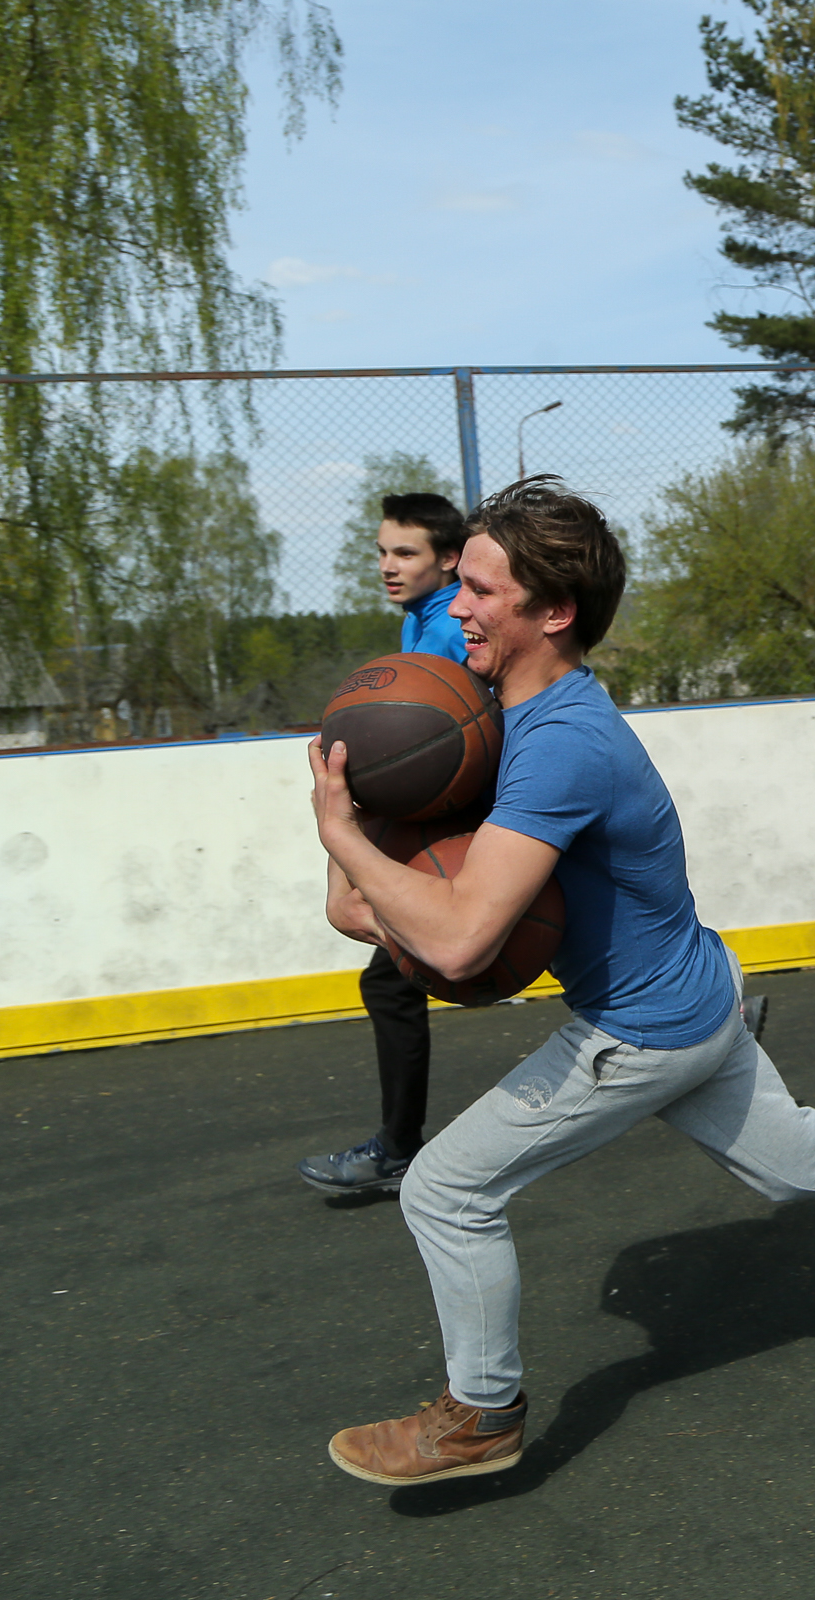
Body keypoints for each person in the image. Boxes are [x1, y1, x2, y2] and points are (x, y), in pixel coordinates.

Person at [308, 477, 815, 1488]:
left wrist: (340, 834)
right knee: (799, 1164)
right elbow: (360, 913)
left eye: (483, 590)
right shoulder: (511, 716)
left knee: (447, 1189)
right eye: (461, 584)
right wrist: (365, 824)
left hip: (645, 1029)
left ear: (555, 611)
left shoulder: (559, 746)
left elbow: (454, 946)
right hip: (701, 991)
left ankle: (481, 1416)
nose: (457, 606)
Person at [296, 492, 470, 1196]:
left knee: (395, 978)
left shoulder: (452, 626)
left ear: (448, 559)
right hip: (455, 817)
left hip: (478, 818)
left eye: (405, 552)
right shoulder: (420, 622)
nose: (387, 566)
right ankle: (713, 1009)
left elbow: (460, 738)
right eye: (382, 552)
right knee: (555, 942)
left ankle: (398, 1151)